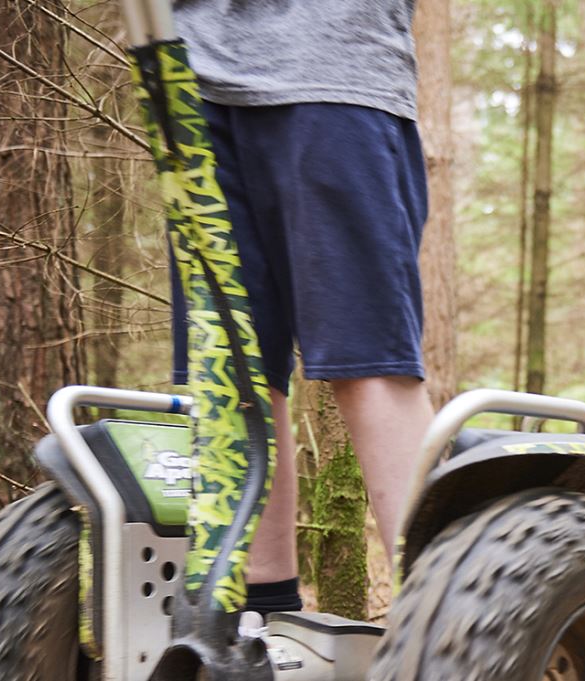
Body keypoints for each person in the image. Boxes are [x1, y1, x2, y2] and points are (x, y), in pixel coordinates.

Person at [169, 0, 432, 615]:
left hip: (333, 67)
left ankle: (447, 623)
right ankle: (262, 619)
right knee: (232, 375)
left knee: (369, 360)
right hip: (191, 76)